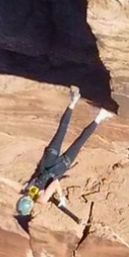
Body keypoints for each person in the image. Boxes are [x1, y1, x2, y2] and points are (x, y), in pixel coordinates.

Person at [16, 87, 110, 225]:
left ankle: (100, 116)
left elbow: (55, 182)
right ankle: (73, 101)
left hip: (59, 167)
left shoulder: (41, 200)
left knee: (79, 142)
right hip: (47, 160)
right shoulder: (26, 189)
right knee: (62, 130)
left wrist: (61, 197)